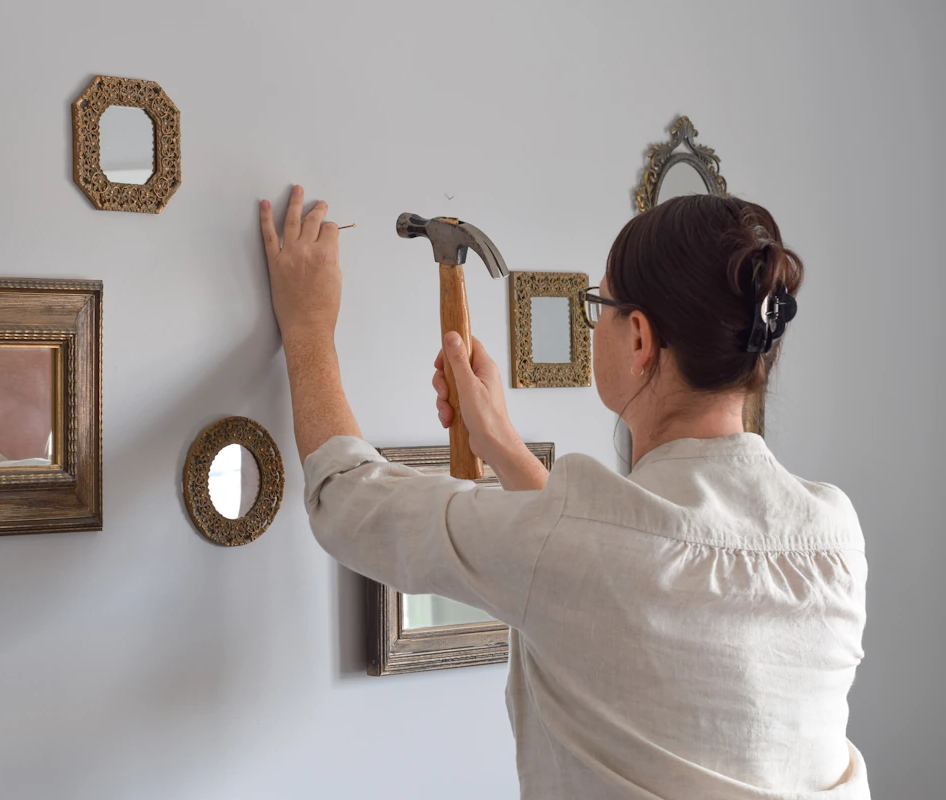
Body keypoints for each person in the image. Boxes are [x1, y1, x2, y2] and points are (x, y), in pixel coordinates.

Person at [258, 186, 869, 799]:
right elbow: (611, 565)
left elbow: (346, 499)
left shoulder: (579, 542)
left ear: (638, 338)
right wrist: (501, 442)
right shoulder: (833, 538)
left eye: (598, 303)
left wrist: (308, 328)